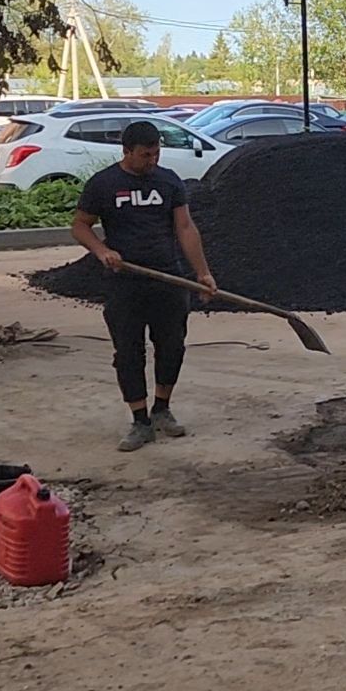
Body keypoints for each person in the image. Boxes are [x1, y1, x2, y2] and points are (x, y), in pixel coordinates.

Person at [70, 120, 217, 452]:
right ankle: (140, 421)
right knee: (128, 353)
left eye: (156, 153)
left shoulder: (168, 182)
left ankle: (162, 408)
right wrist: (102, 250)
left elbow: (185, 227)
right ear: (127, 152)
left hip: (168, 278)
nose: (152, 161)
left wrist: (202, 273)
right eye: (145, 155)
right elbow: (80, 226)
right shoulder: (104, 184)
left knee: (172, 347)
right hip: (125, 284)